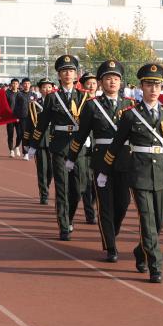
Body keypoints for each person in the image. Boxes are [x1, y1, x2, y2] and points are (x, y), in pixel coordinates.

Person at [96, 63, 163, 283]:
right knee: (148, 220)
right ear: (141, 87)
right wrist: (104, 171)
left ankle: (141, 252)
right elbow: (116, 145)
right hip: (139, 172)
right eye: (149, 85)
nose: (153, 89)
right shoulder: (130, 115)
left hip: (161, 172)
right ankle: (155, 265)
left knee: (160, 218)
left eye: (157, 85)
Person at [67, 60, 132, 262]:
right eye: (108, 78)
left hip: (124, 160)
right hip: (101, 160)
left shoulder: (130, 105)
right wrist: (71, 157)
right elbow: (81, 135)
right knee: (105, 205)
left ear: (121, 82)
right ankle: (111, 246)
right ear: (101, 82)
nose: (112, 82)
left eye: (116, 79)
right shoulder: (92, 106)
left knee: (123, 203)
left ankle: (112, 231)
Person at [29, 55, 87, 240]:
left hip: (79, 148)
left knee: (78, 189)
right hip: (59, 147)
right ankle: (63, 226)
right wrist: (33, 145)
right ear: (59, 75)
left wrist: (90, 140)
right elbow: (42, 123)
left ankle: (69, 217)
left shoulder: (84, 96)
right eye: (64, 71)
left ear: (76, 74)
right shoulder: (52, 97)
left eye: (71, 71)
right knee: (62, 188)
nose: (68, 74)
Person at [24, 78, 55, 204]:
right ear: (40, 89)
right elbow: (29, 124)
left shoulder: (58, 103)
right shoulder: (34, 105)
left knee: (51, 170)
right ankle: (44, 194)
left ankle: (46, 186)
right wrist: (26, 143)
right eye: (44, 87)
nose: (47, 90)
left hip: (54, 140)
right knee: (42, 169)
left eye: (49, 87)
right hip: (39, 140)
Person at [76, 71, 99, 224]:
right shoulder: (79, 102)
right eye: (88, 83)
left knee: (98, 180)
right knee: (87, 180)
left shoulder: (102, 101)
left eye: (94, 83)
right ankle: (90, 213)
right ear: (83, 86)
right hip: (84, 145)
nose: (91, 86)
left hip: (100, 145)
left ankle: (92, 204)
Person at [5, 78, 25, 157]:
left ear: (18, 85)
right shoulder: (7, 94)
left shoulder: (21, 94)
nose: (15, 85)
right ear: (11, 84)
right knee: (10, 134)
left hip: (19, 117)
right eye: (13, 83)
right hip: (10, 117)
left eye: (16, 84)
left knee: (20, 134)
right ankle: (11, 150)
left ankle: (16, 146)